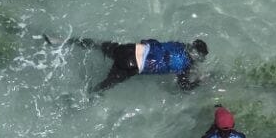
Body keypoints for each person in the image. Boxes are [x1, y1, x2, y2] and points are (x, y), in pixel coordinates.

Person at [54, 36, 209, 92]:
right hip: (131, 65)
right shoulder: (185, 66)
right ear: (197, 57)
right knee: (103, 86)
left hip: (129, 49)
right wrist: (199, 81)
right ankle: (85, 96)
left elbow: (149, 41)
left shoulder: (179, 45)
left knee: (97, 45)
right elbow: (184, 87)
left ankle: (63, 41)